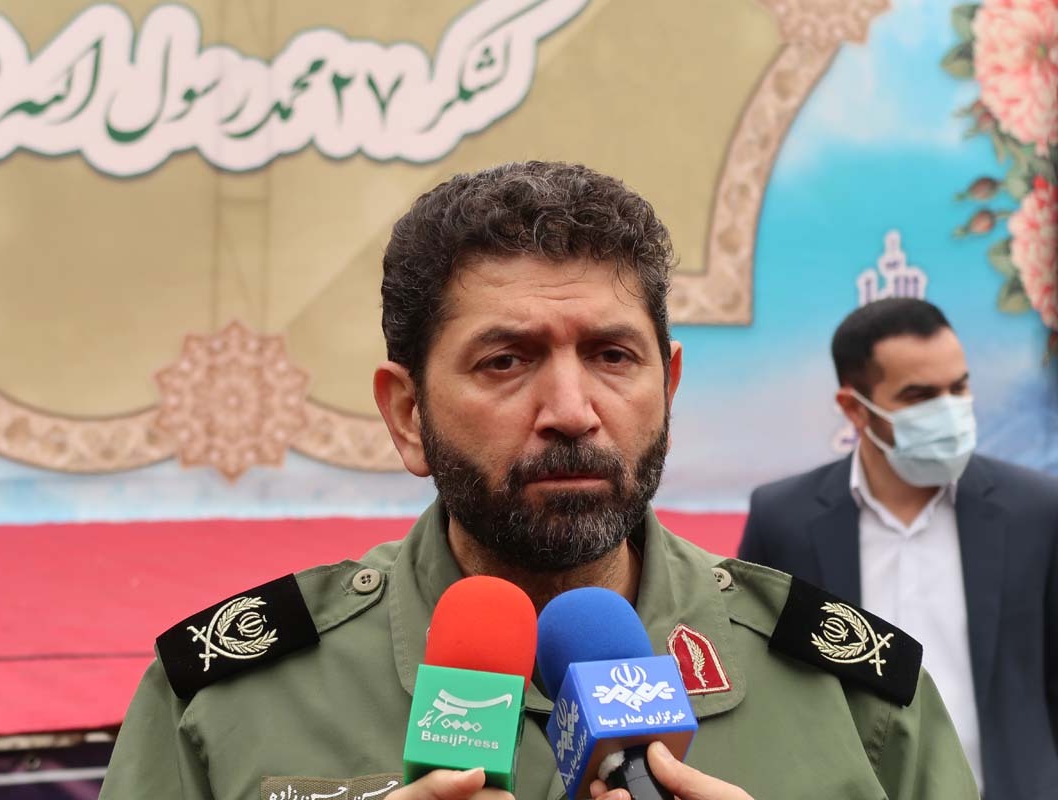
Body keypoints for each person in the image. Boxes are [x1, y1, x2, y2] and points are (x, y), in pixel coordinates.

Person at [100, 163, 978, 800]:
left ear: (668, 388)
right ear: (407, 413)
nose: (571, 410)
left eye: (612, 356)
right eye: (506, 360)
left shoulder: (849, 695)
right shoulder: (224, 702)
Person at [739, 297, 1058, 799]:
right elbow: (760, 682)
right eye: (920, 396)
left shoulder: (1036, 510)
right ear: (854, 409)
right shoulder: (785, 519)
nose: (949, 411)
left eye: (959, 387)